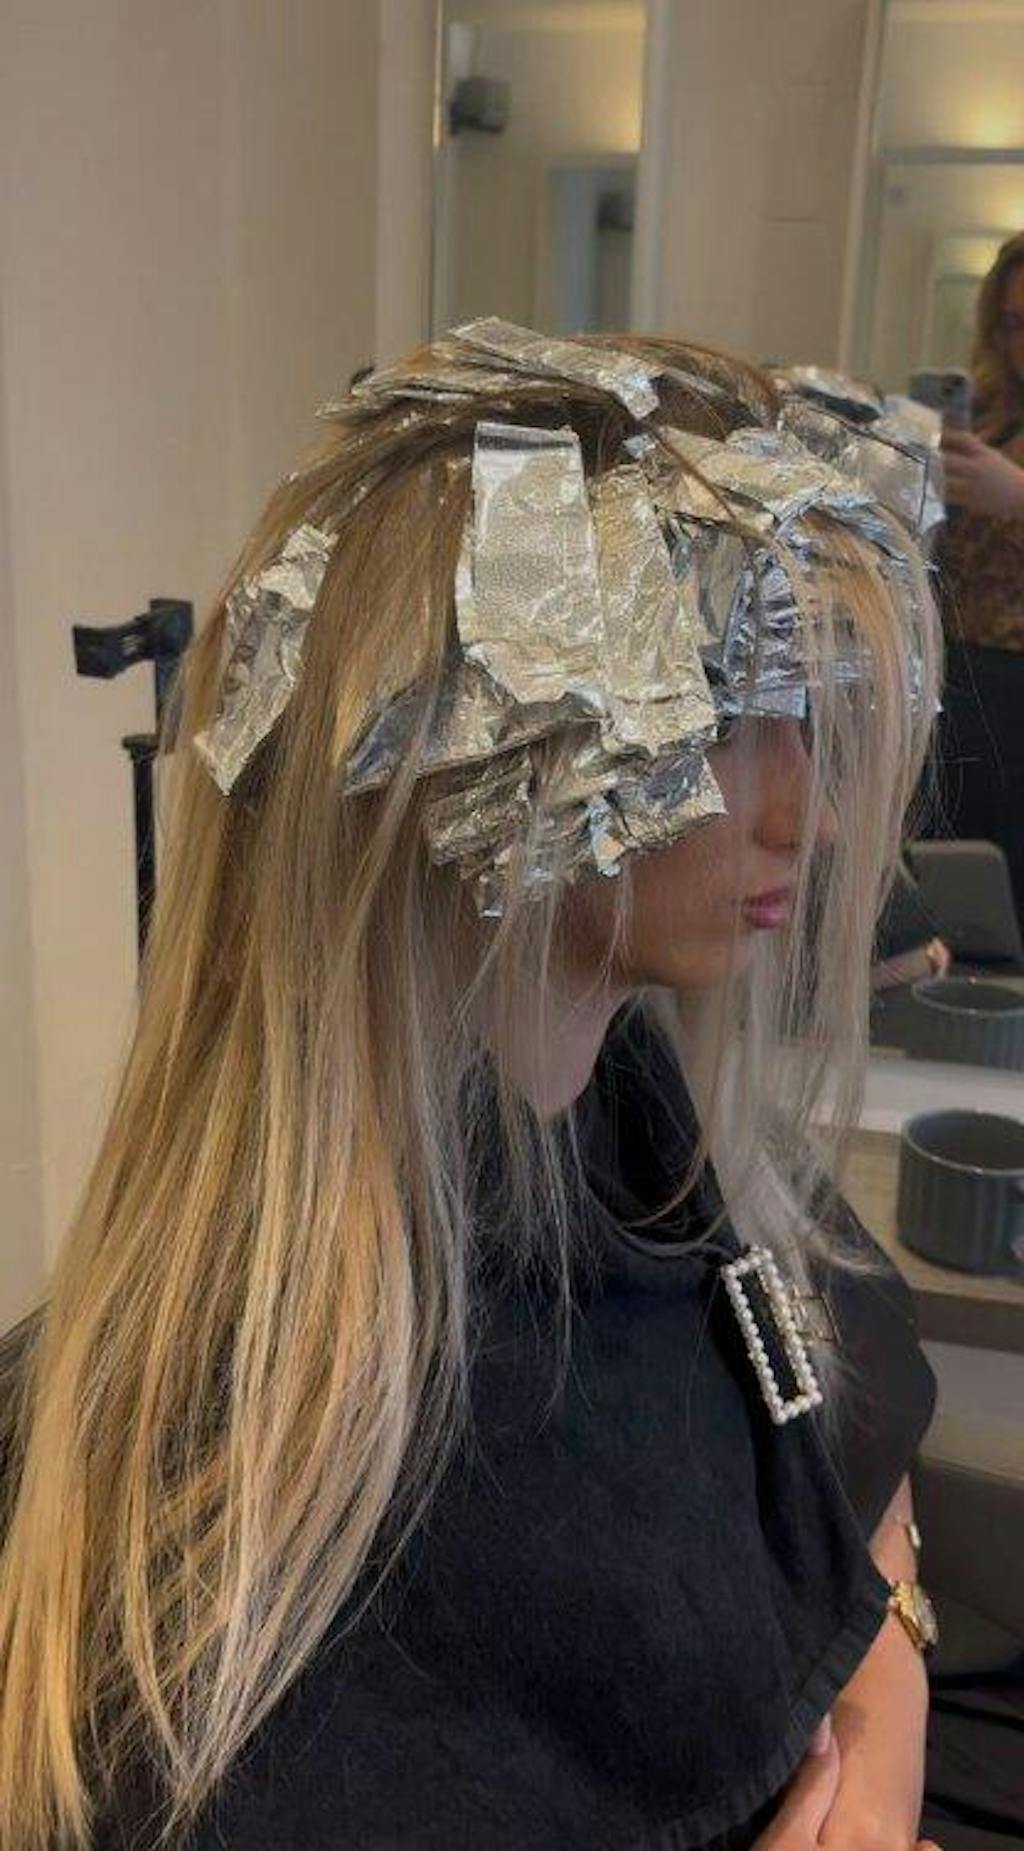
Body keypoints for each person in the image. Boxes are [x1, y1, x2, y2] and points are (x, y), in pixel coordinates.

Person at [0, 322, 948, 1851]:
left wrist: (886, 1665)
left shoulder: (634, 1109)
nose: (813, 815)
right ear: (487, 766)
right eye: (730, 716)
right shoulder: (221, 1592)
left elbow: (848, 1412)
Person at [931, 230, 1024, 925]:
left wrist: (1017, 497)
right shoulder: (992, 416)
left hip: (1017, 687)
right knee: (950, 873)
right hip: (952, 669)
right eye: (1014, 323)